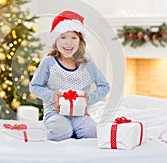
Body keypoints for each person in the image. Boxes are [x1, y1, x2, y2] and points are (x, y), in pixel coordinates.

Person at [29, 10, 110, 141]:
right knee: (61, 132)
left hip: (80, 114)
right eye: (63, 37)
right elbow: (34, 86)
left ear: (80, 42)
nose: (68, 43)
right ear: (56, 40)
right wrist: (52, 95)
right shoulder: (49, 62)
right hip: (55, 112)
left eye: (74, 38)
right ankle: (68, 130)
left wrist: (89, 99)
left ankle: (75, 129)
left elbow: (104, 86)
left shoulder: (87, 64)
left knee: (92, 132)